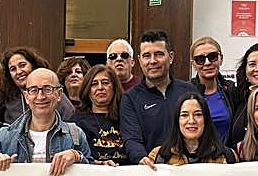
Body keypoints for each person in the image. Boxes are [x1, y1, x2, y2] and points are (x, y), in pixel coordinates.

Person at [120, 30, 196, 164]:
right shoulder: (130, 99)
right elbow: (132, 139)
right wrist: (141, 158)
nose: (152, 61)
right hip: (151, 169)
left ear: (171, 57)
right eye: (146, 56)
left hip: (188, 169)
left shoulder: (189, 91)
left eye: (159, 54)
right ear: (139, 60)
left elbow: (203, 129)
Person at [0, 46, 75, 123]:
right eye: (13, 69)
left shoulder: (53, 94)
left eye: (22, 65)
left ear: (34, 65)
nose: (18, 72)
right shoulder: (7, 100)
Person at [73, 65, 128, 166]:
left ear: (114, 87)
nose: (100, 88)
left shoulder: (128, 116)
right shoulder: (76, 122)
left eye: (105, 83)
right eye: (94, 84)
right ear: (87, 90)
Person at [190, 36, 237, 143]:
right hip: (197, 153)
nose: (207, 63)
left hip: (226, 151)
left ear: (221, 59)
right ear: (193, 64)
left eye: (213, 57)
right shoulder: (186, 92)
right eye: (200, 59)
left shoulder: (231, 90)